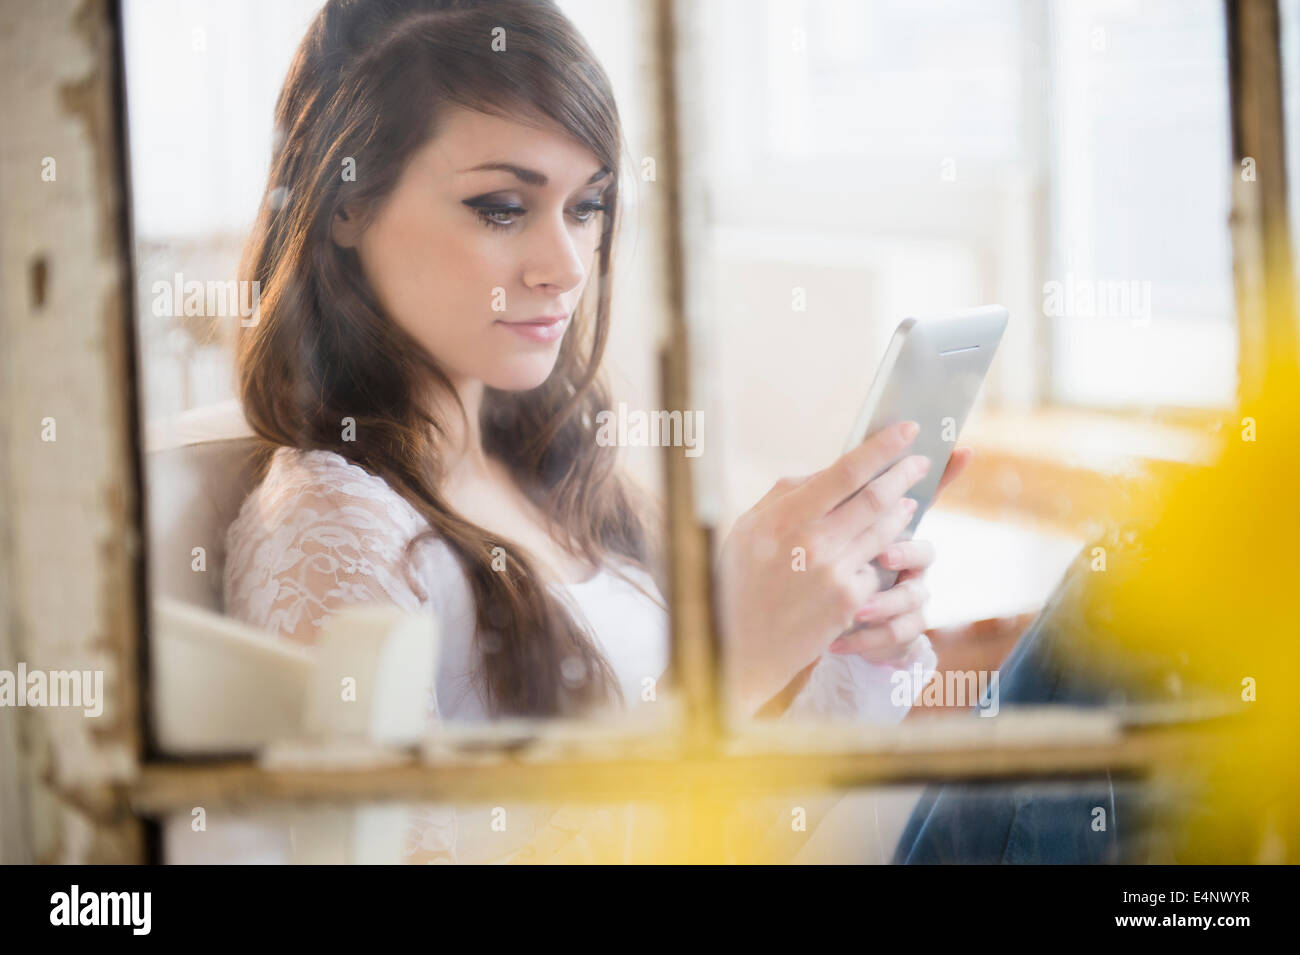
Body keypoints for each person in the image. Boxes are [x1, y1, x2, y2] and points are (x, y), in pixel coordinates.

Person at [222, 0, 970, 863]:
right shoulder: (334, 522)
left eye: (589, 205)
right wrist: (725, 675)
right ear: (345, 203)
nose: (568, 265)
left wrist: (832, 646)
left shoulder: (561, 479)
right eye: (503, 207)